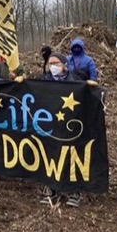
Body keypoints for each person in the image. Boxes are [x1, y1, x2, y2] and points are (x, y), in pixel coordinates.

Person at [39, 52, 83, 207]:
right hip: (49, 124)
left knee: (71, 155)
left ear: (64, 65)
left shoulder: (75, 81)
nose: (53, 66)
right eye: (50, 63)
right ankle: (50, 188)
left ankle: (74, 190)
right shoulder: (43, 81)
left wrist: (92, 87)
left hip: (70, 124)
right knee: (49, 154)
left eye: (56, 63)